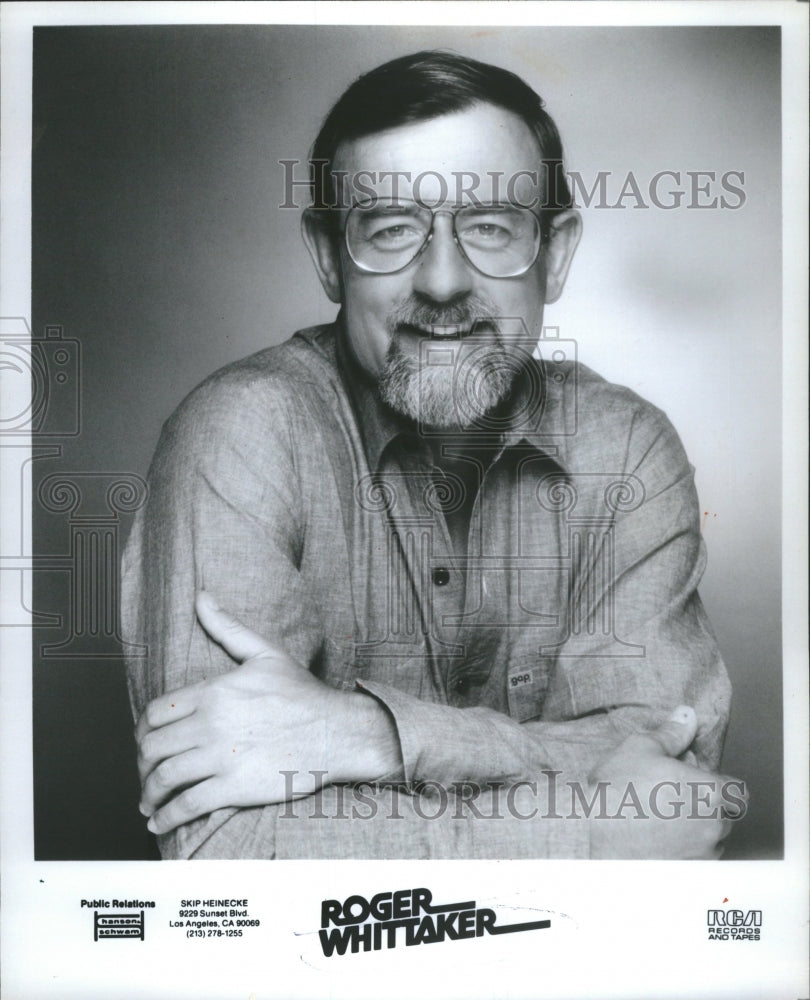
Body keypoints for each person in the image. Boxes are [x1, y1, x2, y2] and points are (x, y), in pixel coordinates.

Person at [122, 50, 741, 860]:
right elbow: (225, 851)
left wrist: (372, 734)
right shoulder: (241, 433)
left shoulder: (626, 448)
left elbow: (673, 781)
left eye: (489, 226)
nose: (443, 281)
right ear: (326, 255)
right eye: (390, 230)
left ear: (553, 254)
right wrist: (587, 831)